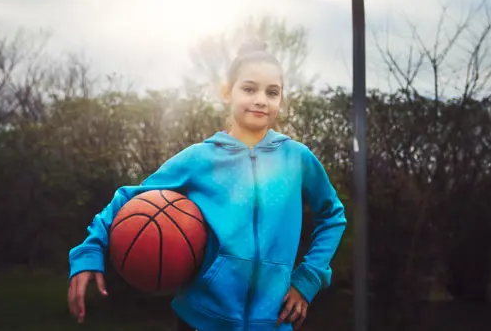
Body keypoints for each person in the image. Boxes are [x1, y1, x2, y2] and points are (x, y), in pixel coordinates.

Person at [67, 39, 347, 330]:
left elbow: (332, 216)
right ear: (227, 93)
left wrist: (308, 279)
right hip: (200, 319)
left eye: (272, 92)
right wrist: (90, 251)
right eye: (249, 89)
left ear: (281, 99)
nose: (261, 99)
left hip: (274, 321)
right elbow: (130, 198)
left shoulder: (297, 158)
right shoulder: (200, 158)